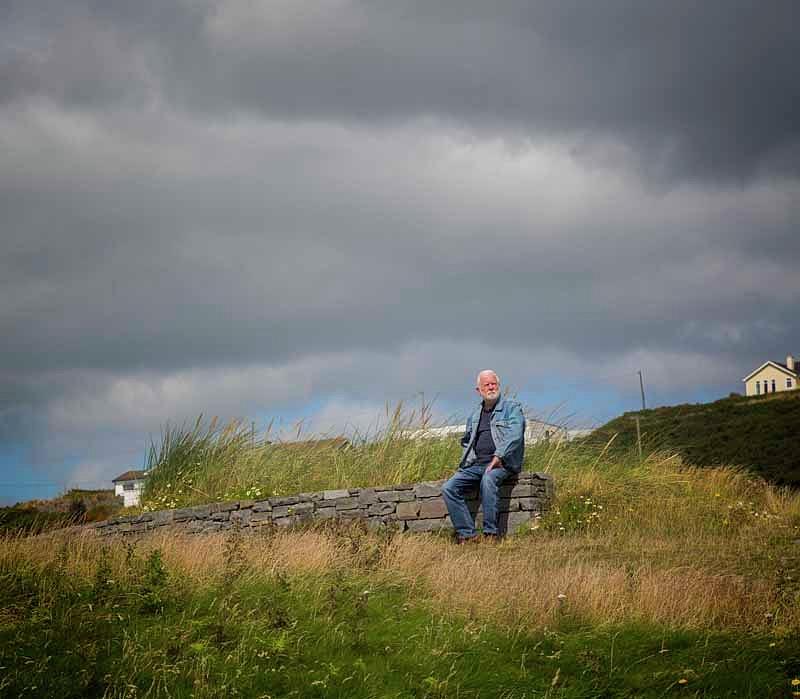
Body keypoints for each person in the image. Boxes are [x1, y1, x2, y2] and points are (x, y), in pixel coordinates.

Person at [441, 370, 526, 542]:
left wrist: (499, 456)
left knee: (488, 479)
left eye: (493, 383)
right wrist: (465, 464)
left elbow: (515, 434)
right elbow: (467, 441)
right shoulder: (474, 415)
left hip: (503, 463)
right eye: (486, 385)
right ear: (478, 390)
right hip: (476, 464)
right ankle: (468, 534)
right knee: (448, 487)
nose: (491, 387)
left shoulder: (511, 407)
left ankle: (490, 533)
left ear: (498, 385)